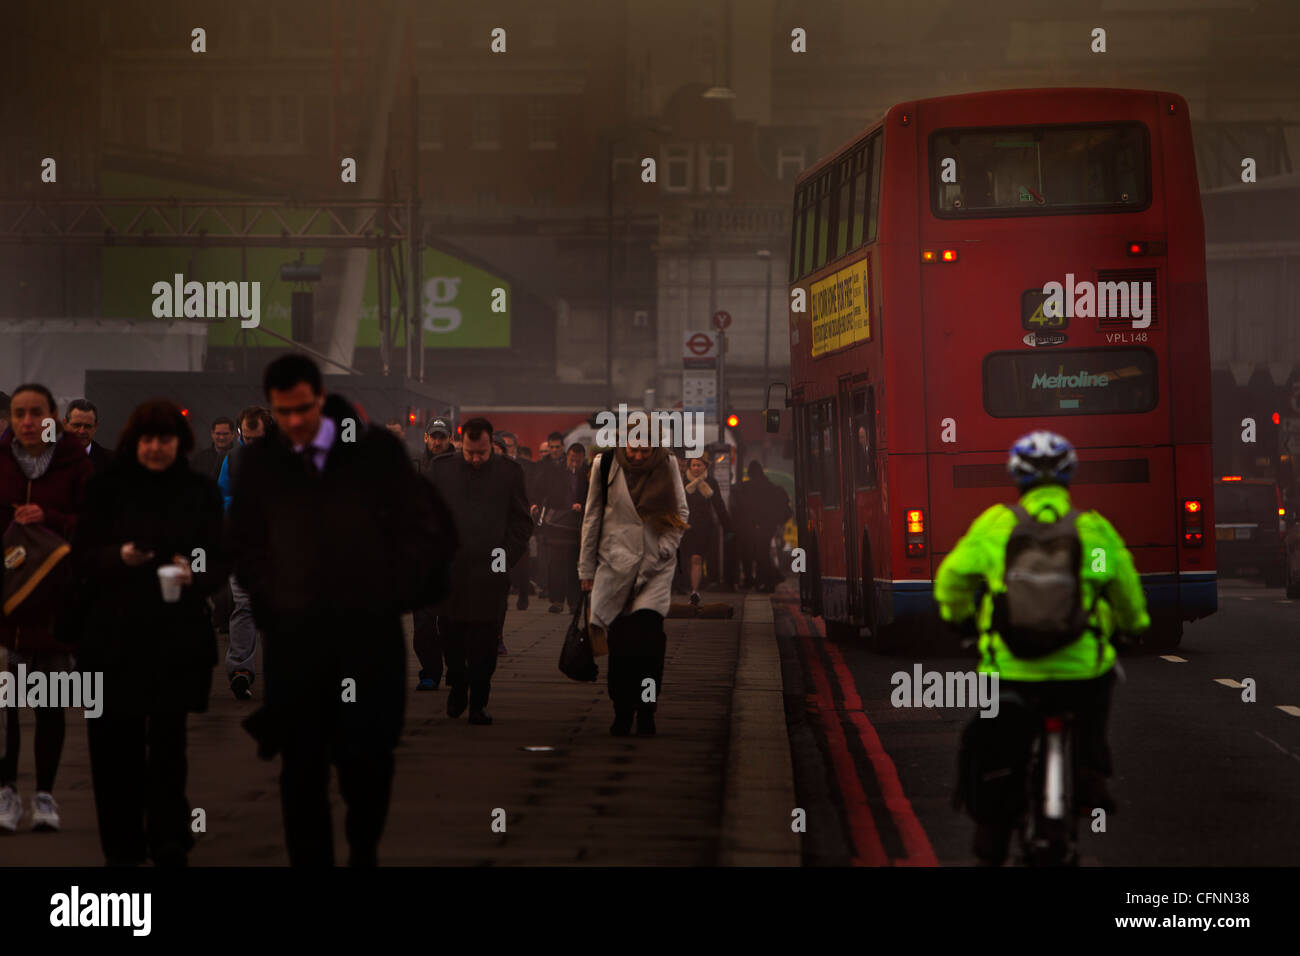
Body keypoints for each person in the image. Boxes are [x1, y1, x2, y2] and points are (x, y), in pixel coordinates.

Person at [228, 355, 456, 866]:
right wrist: (271, 600)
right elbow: (243, 542)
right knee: (301, 767)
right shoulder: (264, 463)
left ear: (320, 397)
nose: (293, 423)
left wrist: (390, 592)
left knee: (367, 760)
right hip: (296, 641)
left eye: (302, 410)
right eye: (282, 412)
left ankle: (363, 850)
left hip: (366, 638)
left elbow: (431, 529)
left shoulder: (374, 453)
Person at [934, 430, 1150, 866]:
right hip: (1079, 671)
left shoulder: (996, 525)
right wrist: (1132, 628)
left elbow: (952, 580)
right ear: (1069, 477)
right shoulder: (1090, 530)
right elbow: (1118, 585)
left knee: (996, 742)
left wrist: (962, 622)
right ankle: (1090, 773)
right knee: (1102, 676)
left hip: (1010, 669)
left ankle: (992, 826)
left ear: (1017, 478)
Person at [68, 400, 228, 865]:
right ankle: (120, 843)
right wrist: (117, 557)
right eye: (148, 439)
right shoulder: (106, 490)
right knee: (112, 747)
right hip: (111, 636)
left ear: (180, 444)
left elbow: (217, 557)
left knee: (168, 744)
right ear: (133, 443)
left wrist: (192, 571)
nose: (157, 447)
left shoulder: (198, 492)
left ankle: (168, 835)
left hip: (173, 637)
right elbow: (80, 556)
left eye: (166, 439)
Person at [0, 383, 94, 832]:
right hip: (7, 601)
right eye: (20, 412)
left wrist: (50, 520)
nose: (28, 421)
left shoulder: (74, 462)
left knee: (49, 704)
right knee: (6, 706)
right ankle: (7, 794)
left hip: (56, 600)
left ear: (53, 415)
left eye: (36, 412)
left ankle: (45, 796)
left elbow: (95, 522)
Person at [424, 418, 531, 722]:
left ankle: (478, 703)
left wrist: (504, 557)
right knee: (451, 637)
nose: (475, 459)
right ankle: (458, 685)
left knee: (484, 641)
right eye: (470, 453)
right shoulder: (442, 470)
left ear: (490, 444)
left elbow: (521, 523)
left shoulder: (509, 472)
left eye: (481, 454)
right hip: (451, 572)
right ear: (461, 444)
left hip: (489, 572)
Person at [578, 439, 688, 737]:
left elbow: (681, 513)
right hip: (616, 567)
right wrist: (586, 569)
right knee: (621, 647)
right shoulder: (605, 467)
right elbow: (592, 518)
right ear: (623, 445)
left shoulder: (668, 465)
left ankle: (647, 709)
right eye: (633, 449)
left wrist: (665, 549)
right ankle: (622, 710)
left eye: (645, 450)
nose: (638, 455)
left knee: (649, 648)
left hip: (655, 572)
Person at [217, 406, 274, 699]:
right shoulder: (233, 458)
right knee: (244, 607)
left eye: (256, 439)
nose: (250, 444)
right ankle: (240, 669)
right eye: (246, 438)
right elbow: (222, 495)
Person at [412, 418, 457, 691]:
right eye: (434, 437)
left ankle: (455, 668)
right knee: (423, 622)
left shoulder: (462, 467)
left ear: (450, 438)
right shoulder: (415, 466)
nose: (438, 441)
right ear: (426, 438)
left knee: (452, 620)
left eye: (442, 437)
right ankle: (429, 670)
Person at [536, 442, 588, 613]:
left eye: (578, 461)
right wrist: (566, 505)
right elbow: (547, 494)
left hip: (578, 526)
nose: (574, 464)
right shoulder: (556, 473)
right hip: (558, 524)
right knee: (556, 563)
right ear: (568, 456)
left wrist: (581, 505)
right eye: (572, 460)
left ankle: (574, 602)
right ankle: (557, 600)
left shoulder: (587, 474)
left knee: (575, 565)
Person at [731, 460, 791, 592]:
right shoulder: (772, 487)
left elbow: (740, 503)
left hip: (752, 526)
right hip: (768, 526)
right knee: (762, 553)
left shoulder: (745, 488)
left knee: (752, 554)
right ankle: (766, 579)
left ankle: (763, 580)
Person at [681, 455, 732, 605]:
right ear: (689, 467)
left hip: (703, 527)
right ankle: (684, 586)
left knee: (696, 558)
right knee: (685, 559)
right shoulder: (682, 482)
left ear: (705, 467)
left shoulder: (710, 482)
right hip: (684, 526)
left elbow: (719, 505)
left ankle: (694, 591)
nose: (696, 468)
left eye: (699, 465)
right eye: (694, 465)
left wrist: (728, 527)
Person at [64, 399, 113, 474]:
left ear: (95, 427)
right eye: (76, 425)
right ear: (65, 425)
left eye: (87, 426)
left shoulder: (112, 462)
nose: (82, 431)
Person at [190, 417, 236, 482]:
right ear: (212, 433)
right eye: (218, 433)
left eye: (225, 434)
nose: (221, 437)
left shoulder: (239, 457)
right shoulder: (200, 458)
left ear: (233, 434)